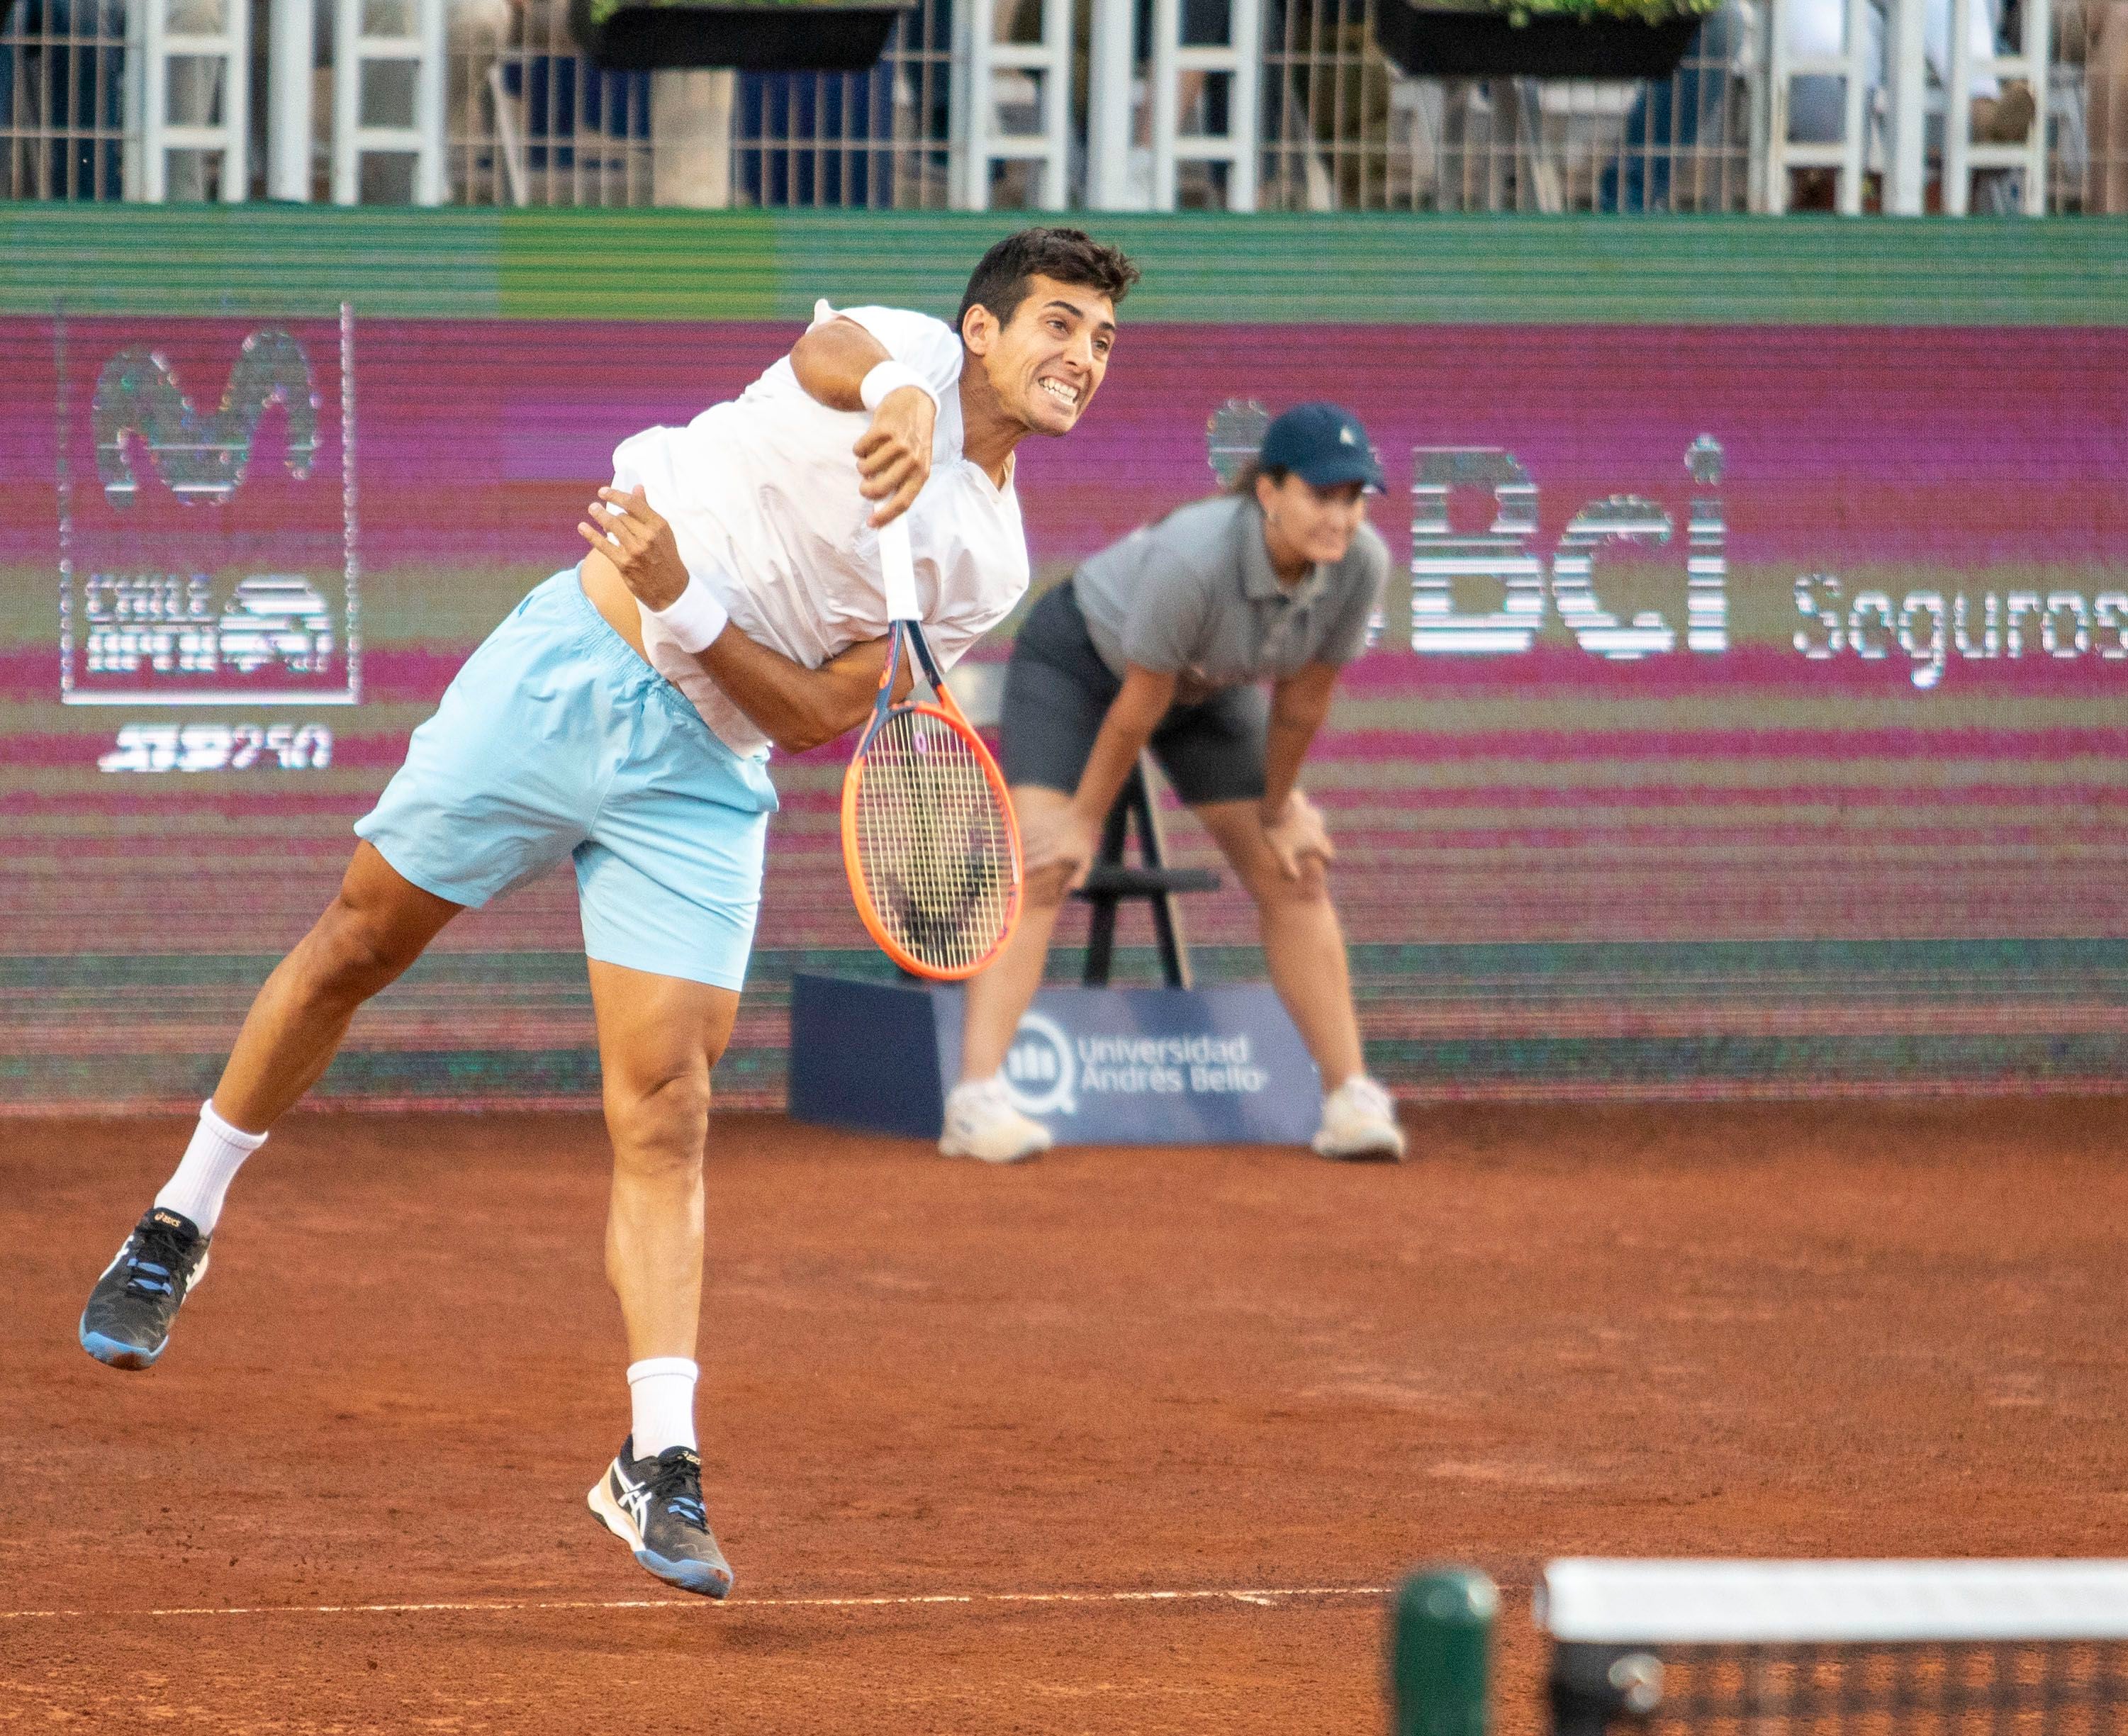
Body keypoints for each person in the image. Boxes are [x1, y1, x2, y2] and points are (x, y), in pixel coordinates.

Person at [74, 225, 1141, 1601]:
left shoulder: (986, 558)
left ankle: (657, 1457)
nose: (1082, 358)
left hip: (704, 772)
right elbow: (838, 354)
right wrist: (903, 400)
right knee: (357, 940)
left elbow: (819, 711)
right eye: (1059, 325)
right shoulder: (913, 355)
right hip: (573, 667)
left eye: (1104, 342)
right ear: (986, 332)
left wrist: (691, 603)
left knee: (669, 1101)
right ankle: (178, 1219)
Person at [939, 403, 1406, 1167]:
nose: (1340, 516)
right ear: (1268, 492)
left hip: (1204, 688)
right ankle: (974, 1099)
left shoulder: (1361, 565)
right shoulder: (1194, 556)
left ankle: (1349, 1097)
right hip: (1083, 668)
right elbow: (1134, 710)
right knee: (1044, 863)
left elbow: (1301, 702)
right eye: (1322, 495)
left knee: (1296, 867)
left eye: (1354, 498)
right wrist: (1080, 823)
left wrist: (1280, 807)